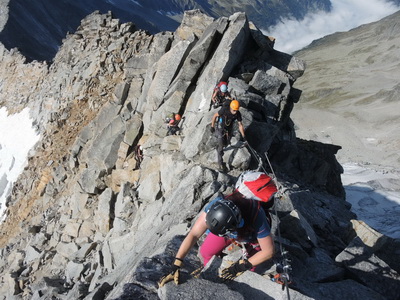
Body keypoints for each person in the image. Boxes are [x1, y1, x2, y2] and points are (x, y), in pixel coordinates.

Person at [158, 191, 274, 287]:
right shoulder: (215, 207)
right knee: (206, 252)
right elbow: (193, 234)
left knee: (247, 272)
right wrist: (176, 264)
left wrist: (239, 267)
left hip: (250, 236)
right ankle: (211, 276)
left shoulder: (257, 218)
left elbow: (268, 251)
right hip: (228, 230)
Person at [210, 99, 246, 172]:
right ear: (230, 108)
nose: (235, 112)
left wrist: (244, 136)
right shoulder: (224, 110)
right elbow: (215, 116)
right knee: (221, 146)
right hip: (220, 128)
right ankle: (220, 163)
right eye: (234, 110)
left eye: (236, 110)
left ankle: (221, 146)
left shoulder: (237, 113)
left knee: (226, 143)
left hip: (229, 129)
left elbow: (240, 125)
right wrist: (212, 126)